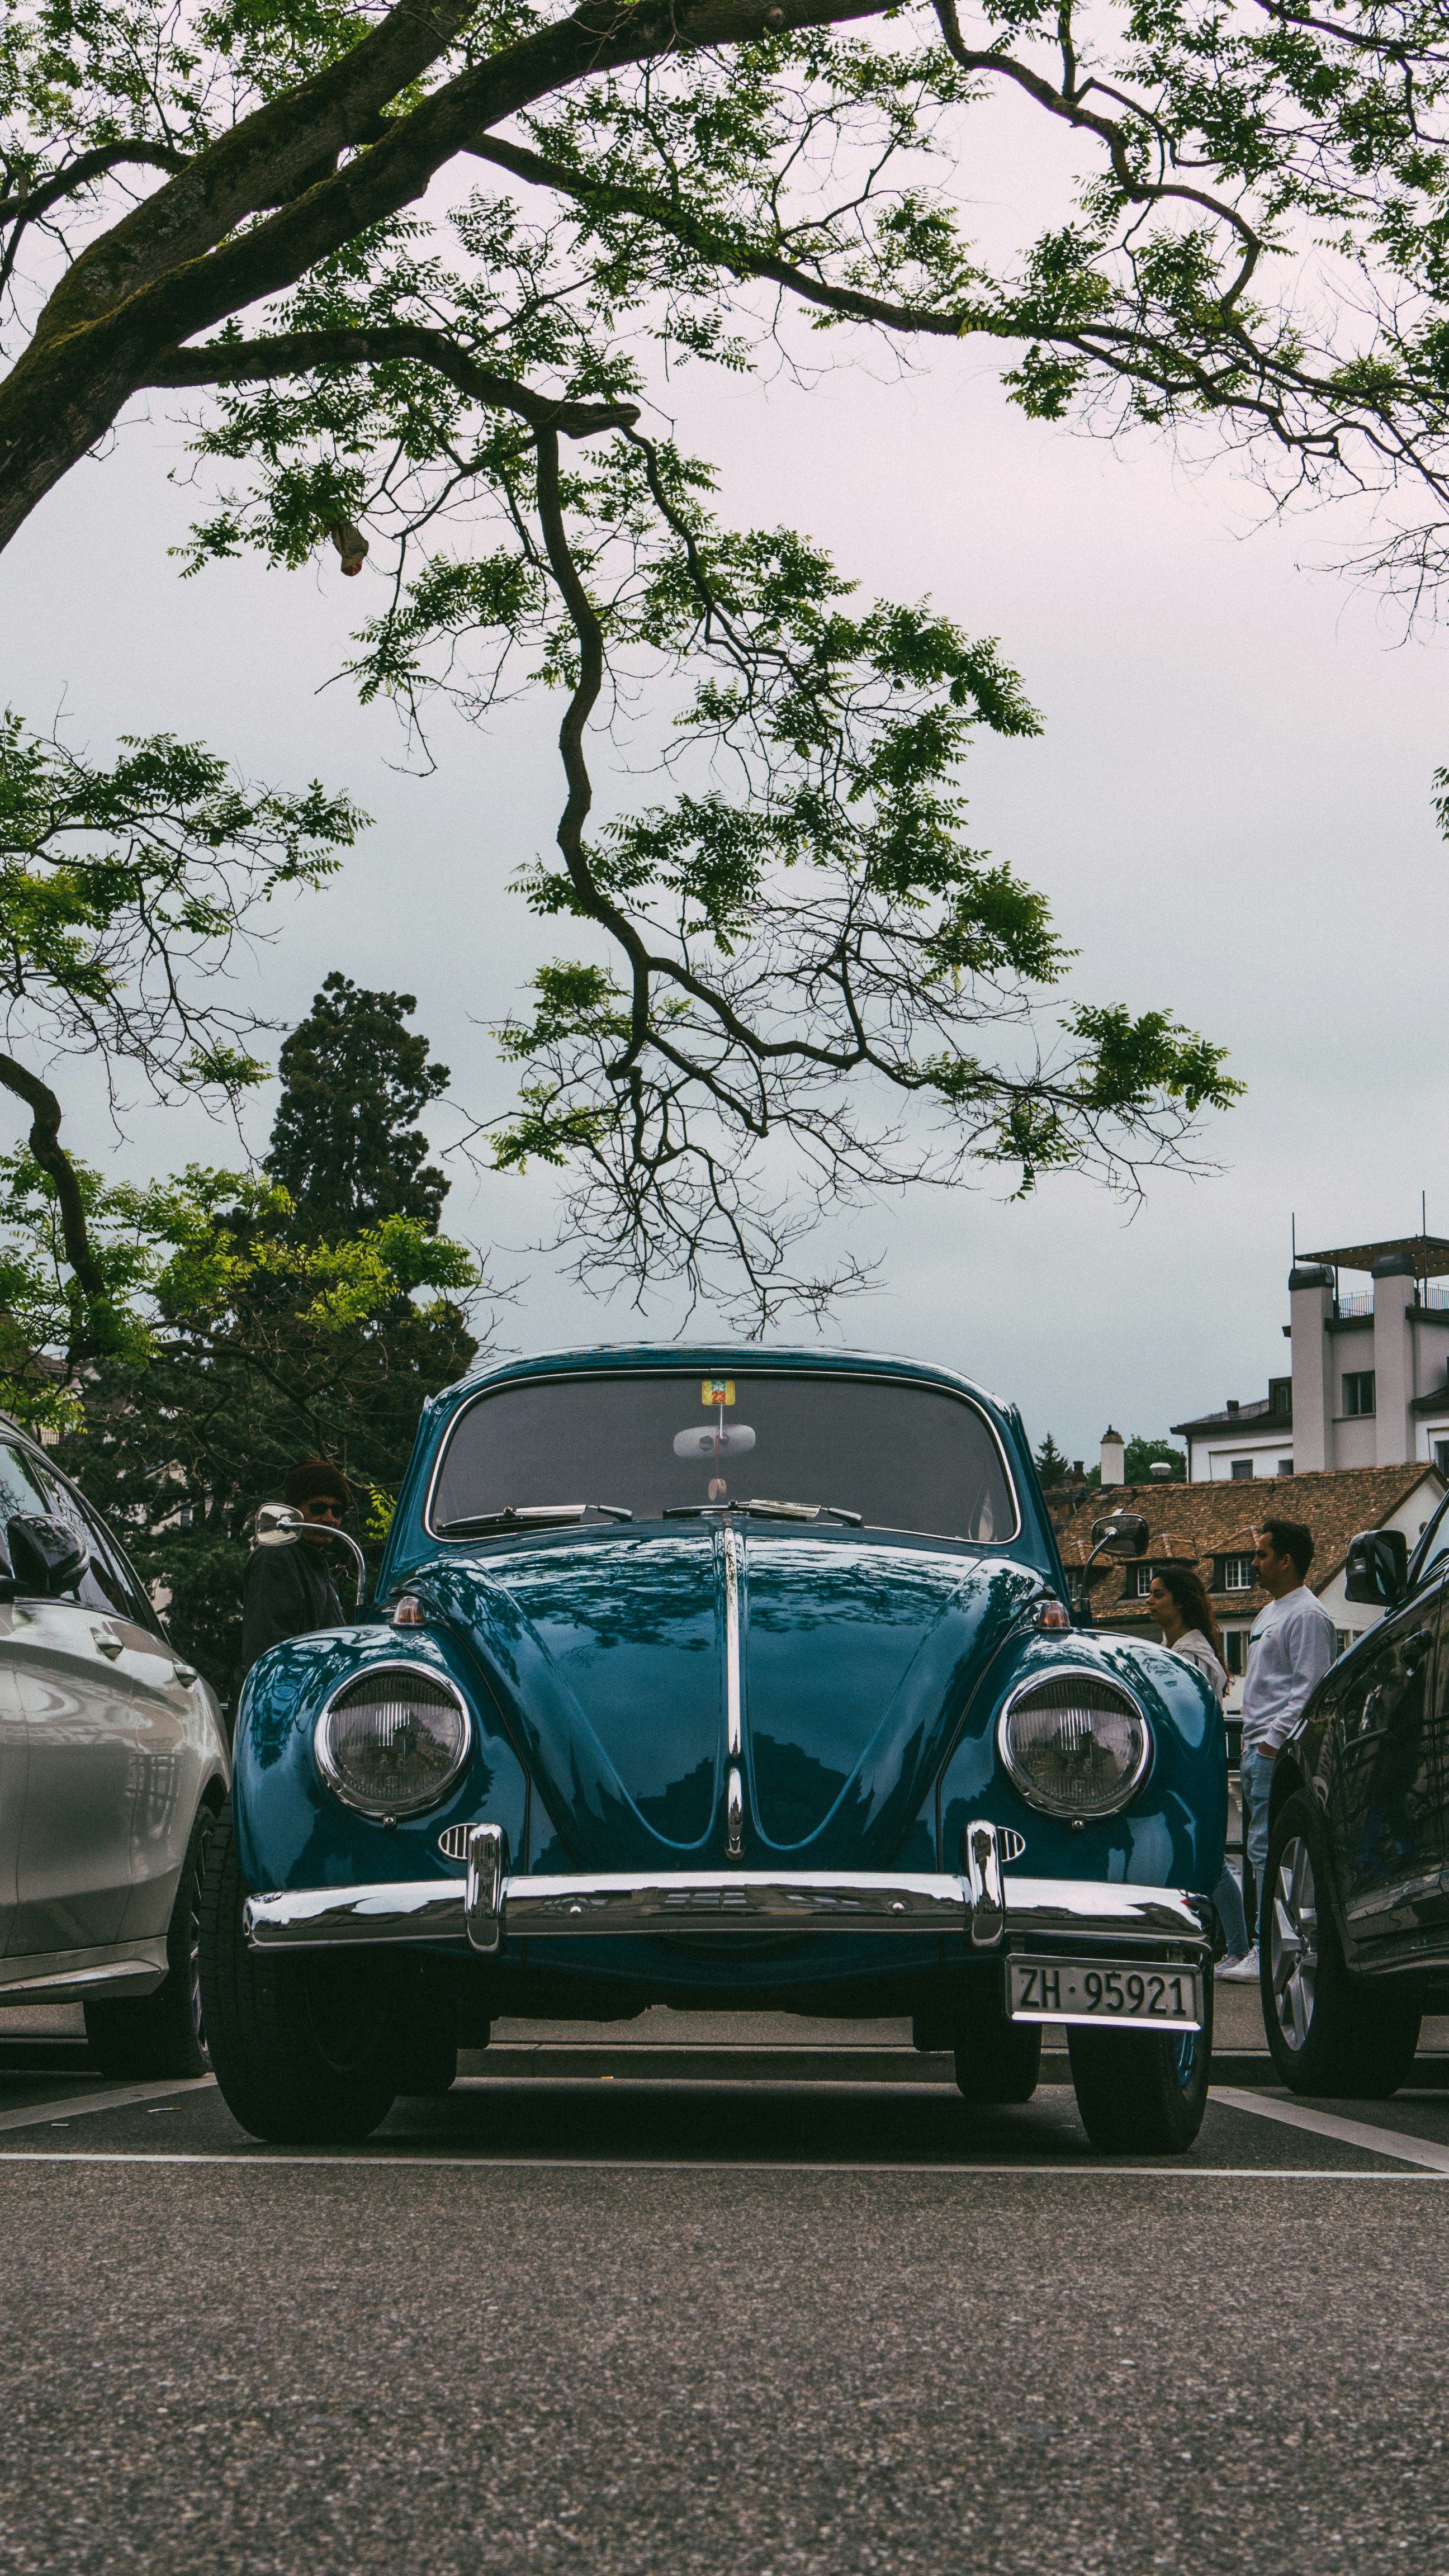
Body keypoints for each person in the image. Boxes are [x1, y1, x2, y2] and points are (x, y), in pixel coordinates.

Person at [1224, 1517, 1335, 1982]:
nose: (1254, 1562)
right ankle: (1263, 1947)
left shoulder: (1307, 1615)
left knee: (1272, 1853)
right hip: (1258, 1750)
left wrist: (1272, 1745)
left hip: (1274, 1751)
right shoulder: (1270, 1613)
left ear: (1286, 1560)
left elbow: (1309, 1689)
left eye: (1262, 1554)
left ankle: (1267, 1950)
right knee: (1260, 1852)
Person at [1147, 1561, 1251, 1972]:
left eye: (1158, 1594)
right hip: (1185, 1767)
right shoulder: (1178, 1649)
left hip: (1189, 1768)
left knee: (1208, 1860)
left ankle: (1237, 1947)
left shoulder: (1190, 1656)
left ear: (1180, 1603)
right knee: (1201, 1858)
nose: (1149, 1601)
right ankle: (1224, 1946)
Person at [239, 1460, 353, 1680]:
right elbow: (270, 1649)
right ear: (294, 1511)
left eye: (338, 1511)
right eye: (318, 1508)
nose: (329, 1519)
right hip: (284, 1692)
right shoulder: (277, 1557)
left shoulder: (320, 1570)